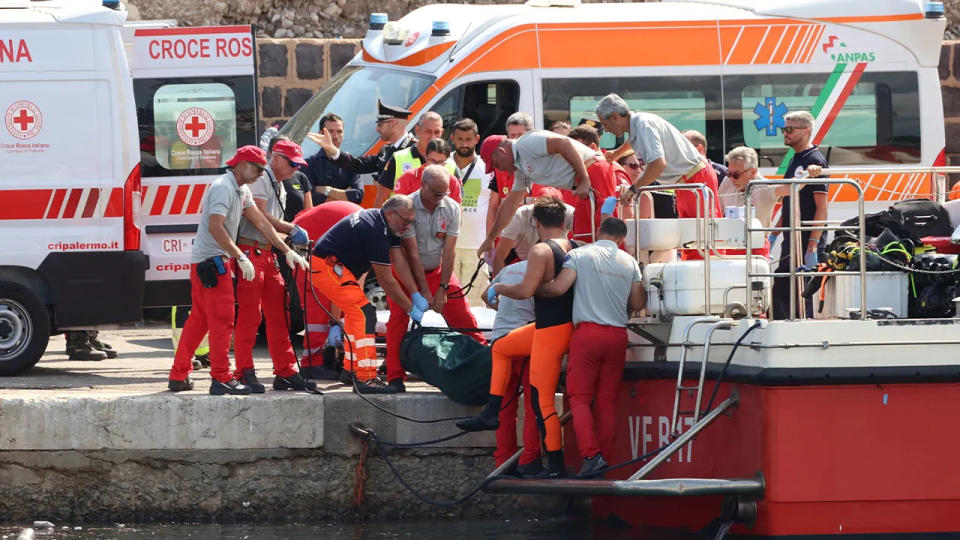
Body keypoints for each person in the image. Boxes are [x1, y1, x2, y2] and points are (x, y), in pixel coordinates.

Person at [168, 146, 308, 395]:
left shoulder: (241, 189)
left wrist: (286, 250)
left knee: (199, 321)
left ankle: (179, 375)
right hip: (213, 261)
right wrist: (240, 256)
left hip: (210, 261)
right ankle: (221, 378)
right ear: (242, 164)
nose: (259, 174)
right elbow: (216, 227)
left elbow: (261, 222)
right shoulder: (223, 187)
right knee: (223, 321)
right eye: (257, 168)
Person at [459, 196, 579, 479]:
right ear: (564, 222)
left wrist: (499, 287)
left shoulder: (525, 261)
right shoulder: (574, 251)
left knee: (512, 404)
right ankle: (531, 461)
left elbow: (515, 293)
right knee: (538, 403)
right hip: (543, 336)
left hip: (522, 336)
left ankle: (502, 455)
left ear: (536, 224)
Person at [537, 217, 646, 478]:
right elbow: (638, 302)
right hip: (618, 336)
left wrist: (533, 287)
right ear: (622, 240)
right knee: (607, 402)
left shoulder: (580, 255)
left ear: (598, 232)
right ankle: (603, 463)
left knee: (581, 399)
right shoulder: (628, 262)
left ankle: (591, 456)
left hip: (587, 336)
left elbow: (559, 288)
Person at [311, 195, 428, 394]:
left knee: (355, 314)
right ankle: (366, 378)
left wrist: (416, 293)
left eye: (411, 221)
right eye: (406, 220)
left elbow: (399, 263)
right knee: (364, 313)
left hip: (333, 266)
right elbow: (385, 279)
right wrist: (410, 307)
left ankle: (350, 369)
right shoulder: (375, 230)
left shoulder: (384, 224)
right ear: (391, 214)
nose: (408, 226)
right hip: (329, 266)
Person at [385, 166, 486, 392]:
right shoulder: (407, 207)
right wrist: (424, 293)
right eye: (436, 194)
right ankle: (394, 377)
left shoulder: (451, 208)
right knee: (397, 321)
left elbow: (449, 251)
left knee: (464, 318)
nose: (440, 199)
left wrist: (442, 288)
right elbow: (411, 253)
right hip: (406, 274)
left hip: (439, 271)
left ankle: (487, 364)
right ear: (423, 186)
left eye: (445, 194)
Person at [233, 139, 315, 393]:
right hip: (252, 251)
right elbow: (258, 217)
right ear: (276, 159)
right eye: (291, 163)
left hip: (266, 254)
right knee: (251, 315)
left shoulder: (277, 182)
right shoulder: (260, 178)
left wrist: (288, 243)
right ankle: (244, 371)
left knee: (280, 314)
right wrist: (289, 233)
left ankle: (286, 370)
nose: (295, 169)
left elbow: (268, 223)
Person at [595, 94, 721, 223]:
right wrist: (617, 153)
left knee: (705, 233)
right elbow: (632, 140)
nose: (605, 129)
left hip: (695, 178)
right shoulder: (639, 124)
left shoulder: (644, 125)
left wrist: (632, 189)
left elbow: (658, 164)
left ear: (615, 117)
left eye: (605, 124)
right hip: (688, 179)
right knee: (692, 235)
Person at [477, 130, 597, 258]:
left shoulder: (525, 144)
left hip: (594, 170)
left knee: (600, 238)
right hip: (585, 182)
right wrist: (490, 238)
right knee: (588, 239)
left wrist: (584, 179)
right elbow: (510, 204)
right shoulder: (521, 169)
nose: (499, 169)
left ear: (502, 152)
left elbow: (563, 142)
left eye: (496, 164)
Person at [482, 260, 542, 475]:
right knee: (533, 407)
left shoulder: (508, 270)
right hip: (526, 343)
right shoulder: (542, 270)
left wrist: (504, 310)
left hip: (500, 340)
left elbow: (485, 296)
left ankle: (503, 461)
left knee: (505, 409)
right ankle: (529, 460)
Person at [771, 111, 829, 320]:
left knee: (796, 287)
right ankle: (786, 325)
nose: (784, 134)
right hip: (791, 235)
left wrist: (812, 245)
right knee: (785, 285)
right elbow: (789, 201)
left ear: (806, 131)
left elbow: (821, 208)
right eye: (783, 129)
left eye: (789, 129)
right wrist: (774, 233)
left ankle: (800, 327)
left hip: (805, 238)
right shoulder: (796, 158)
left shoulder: (815, 161)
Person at [306, 100, 415, 191]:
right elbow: (358, 165)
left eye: (380, 124)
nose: (377, 129)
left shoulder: (415, 149)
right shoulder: (386, 150)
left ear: (393, 124)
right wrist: (332, 149)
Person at [449, 118, 494, 304]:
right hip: (447, 244)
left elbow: (495, 206)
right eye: (460, 139)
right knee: (449, 299)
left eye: (469, 139)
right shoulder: (444, 164)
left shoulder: (487, 168)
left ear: (477, 139)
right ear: (452, 138)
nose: (464, 144)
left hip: (476, 246)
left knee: (476, 301)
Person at [568, 125, 631, 243]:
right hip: (588, 237)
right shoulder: (590, 166)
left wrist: (604, 240)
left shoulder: (599, 167)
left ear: (592, 147)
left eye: (575, 150)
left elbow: (605, 206)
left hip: (595, 240)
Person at [492, 187, 574, 275]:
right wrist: (499, 283)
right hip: (523, 261)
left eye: (554, 211)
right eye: (544, 211)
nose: (549, 214)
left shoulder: (569, 213)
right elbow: (499, 258)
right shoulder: (519, 217)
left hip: (558, 262)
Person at [373, 111, 446, 208]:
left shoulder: (450, 163)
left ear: (442, 132)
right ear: (417, 130)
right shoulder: (398, 158)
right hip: (401, 221)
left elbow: (456, 206)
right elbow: (380, 200)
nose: (432, 137)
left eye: (437, 132)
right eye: (428, 132)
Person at [486, 114, 534, 237]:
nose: (517, 140)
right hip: (506, 237)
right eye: (513, 135)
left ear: (531, 134)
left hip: (532, 237)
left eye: (520, 135)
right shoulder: (500, 168)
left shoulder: (541, 164)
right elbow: (493, 207)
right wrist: (490, 239)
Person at [719, 146, 787, 229]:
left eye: (736, 175)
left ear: (753, 171)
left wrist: (806, 175)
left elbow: (789, 188)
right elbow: (716, 209)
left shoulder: (765, 186)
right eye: (729, 173)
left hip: (758, 240)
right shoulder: (727, 181)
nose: (732, 179)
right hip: (731, 239)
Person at [302, 113, 363, 206]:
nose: (335, 137)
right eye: (330, 131)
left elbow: (358, 195)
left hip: (346, 218)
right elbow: (309, 197)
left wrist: (326, 190)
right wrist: (345, 195)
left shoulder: (352, 163)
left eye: (339, 131)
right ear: (320, 134)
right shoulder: (308, 164)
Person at [393, 138, 463, 203]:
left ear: (446, 161)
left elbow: (457, 210)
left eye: (441, 162)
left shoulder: (452, 181)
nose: (436, 165)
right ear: (425, 157)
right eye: (433, 161)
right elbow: (397, 206)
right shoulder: (409, 177)